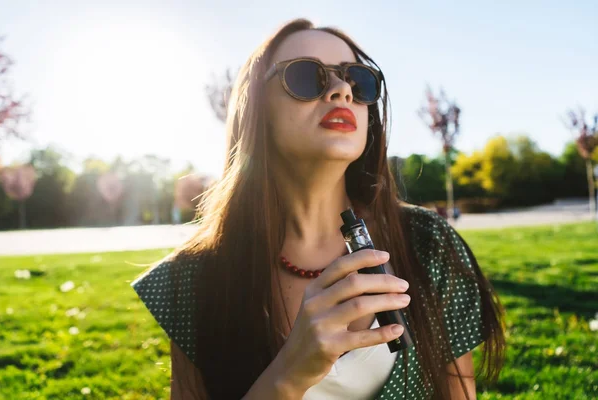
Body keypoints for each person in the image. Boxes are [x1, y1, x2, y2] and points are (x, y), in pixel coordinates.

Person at [131, 18, 505, 400]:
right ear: (256, 109)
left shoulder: (428, 243)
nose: (343, 90)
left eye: (358, 81)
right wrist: (289, 373)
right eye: (307, 77)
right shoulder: (191, 279)